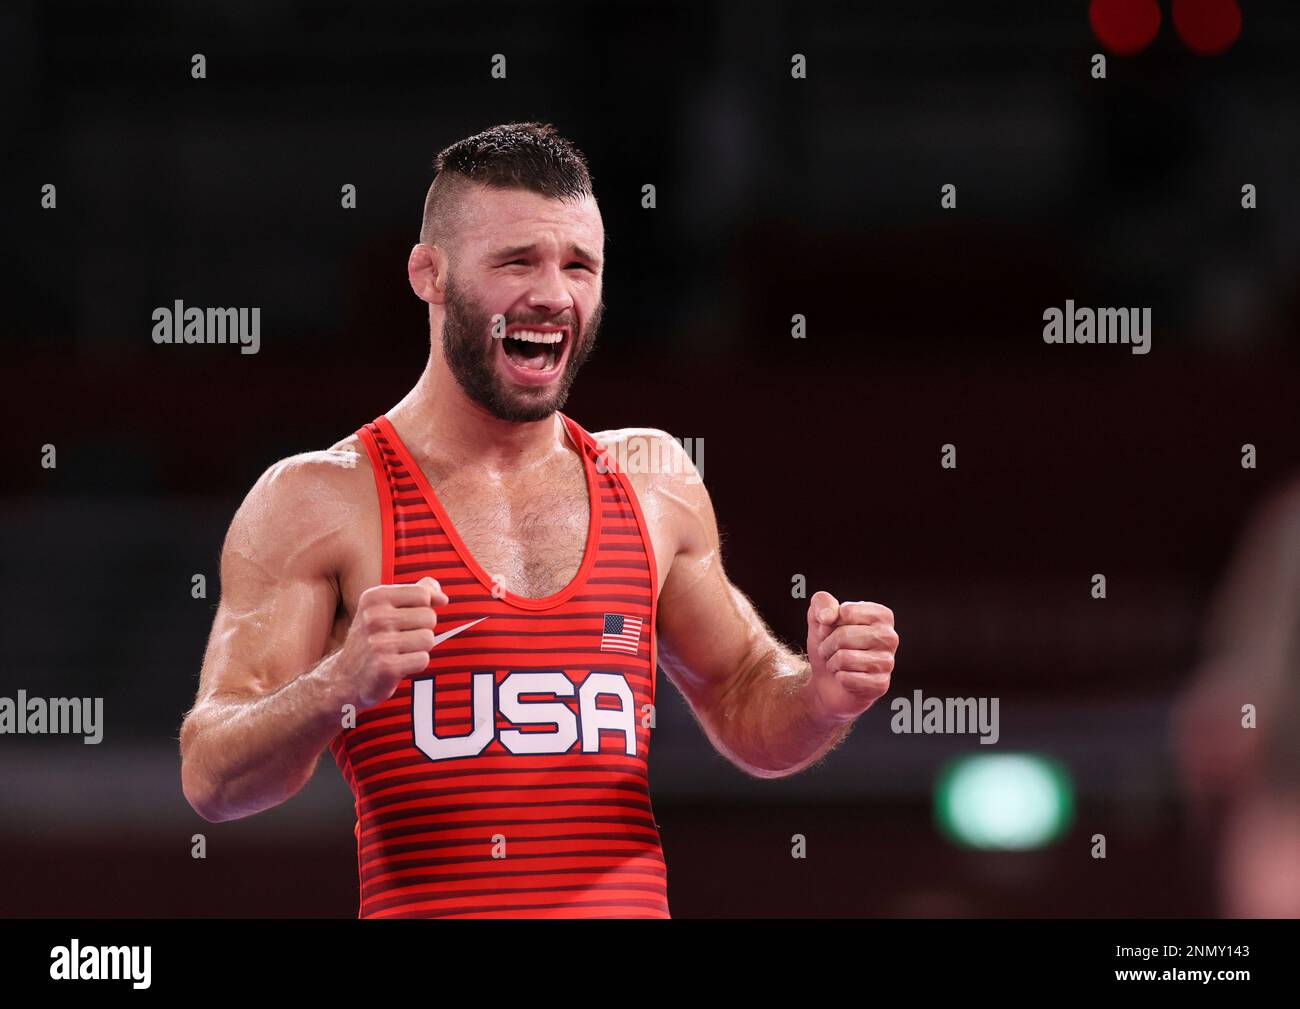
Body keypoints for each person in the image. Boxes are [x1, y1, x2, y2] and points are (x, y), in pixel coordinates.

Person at [179, 121, 899, 918]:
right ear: (431, 275)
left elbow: (742, 701)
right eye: (517, 261)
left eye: (578, 266)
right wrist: (337, 685)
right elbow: (213, 778)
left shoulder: (651, 480)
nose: (553, 294)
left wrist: (823, 695)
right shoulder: (319, 499)